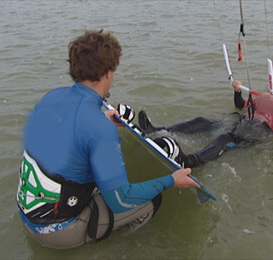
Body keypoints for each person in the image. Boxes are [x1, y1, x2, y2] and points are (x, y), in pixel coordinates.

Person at [16, 30, 199, 249]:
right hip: (58, 232)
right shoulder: (99, 129)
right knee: (150, 200)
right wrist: (172, 180)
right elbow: (120, 201)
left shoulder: (51, 97)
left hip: (28, 214)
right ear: (107, 74)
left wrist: (101, 118)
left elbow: (67, 132)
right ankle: (121, 248)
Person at [138, 61, 273, 168]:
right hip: (243, 124)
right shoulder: (268, 97)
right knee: (203, 121)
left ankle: (190, 162)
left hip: (258, 134)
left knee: (224, 140)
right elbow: (241, 106)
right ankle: (157, 131)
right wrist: (236, 92)